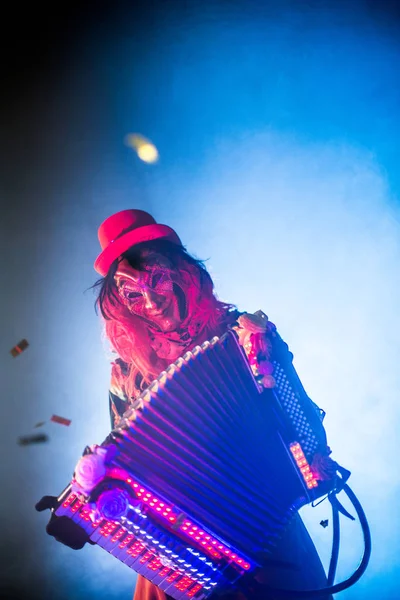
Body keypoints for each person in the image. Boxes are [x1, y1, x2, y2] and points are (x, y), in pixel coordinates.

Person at [37, 209, 333, 600]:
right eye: (131, 293)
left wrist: (310, 450)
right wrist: (80, 503)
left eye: (157, 279)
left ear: (182, 272)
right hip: (181, 545)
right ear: (119, 303)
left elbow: (298, 415)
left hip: (266, 525)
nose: (150, 300)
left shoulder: (241, 334)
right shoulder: (126, 374)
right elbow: (127, 456)